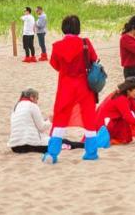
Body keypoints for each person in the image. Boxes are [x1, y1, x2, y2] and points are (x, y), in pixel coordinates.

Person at [44, 15, 102, 163]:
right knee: (89, 117)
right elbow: (94, 59)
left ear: (64, 28)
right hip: (84, 85)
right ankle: (91, 153)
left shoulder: (57, 46)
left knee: (60, 118)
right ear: (78, 28)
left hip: (65, 86)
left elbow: (55, 65)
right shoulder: (85, 43)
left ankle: (52, 153)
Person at [8, 88, 83, 153]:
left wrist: (46, 120)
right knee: (62, 141)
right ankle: (85, 145)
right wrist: (50, 120)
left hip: (15, 147)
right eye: (37, 98)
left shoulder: (16, 107)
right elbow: (41, 127)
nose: (37, 102)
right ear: (31, 97)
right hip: (29, 145)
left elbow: (28, 124)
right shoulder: (32, 106)